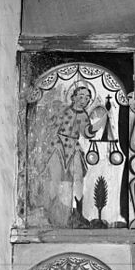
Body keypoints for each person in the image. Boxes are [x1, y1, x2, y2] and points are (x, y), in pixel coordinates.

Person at [44, 85, 105, 227]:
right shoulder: (63, 110)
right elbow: (51, 125)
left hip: (74, 147)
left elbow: (87, 133)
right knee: (55, 178)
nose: (84, 100)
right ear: (74, 97)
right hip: (58, 146)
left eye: (87, 98)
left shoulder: (83, 115)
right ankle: (51, 212)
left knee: (78, 178)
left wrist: (100, 123)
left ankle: (78, 213)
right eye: (81, 96)